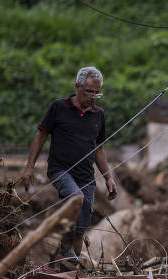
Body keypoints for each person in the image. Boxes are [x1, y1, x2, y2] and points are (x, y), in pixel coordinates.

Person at [21, 66, 118, 267]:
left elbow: (99, 149)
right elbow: (41, 136)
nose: (92, 96)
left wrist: (108, 177)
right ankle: (64, 249)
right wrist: (29, 167)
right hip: (60, 170)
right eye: (88, 91)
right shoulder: (59, 107)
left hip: (86, 176)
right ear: (77, 86)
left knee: (81, 226)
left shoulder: (98, 115)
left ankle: (68, 266)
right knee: (76, 199)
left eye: (96, 92)